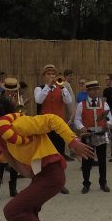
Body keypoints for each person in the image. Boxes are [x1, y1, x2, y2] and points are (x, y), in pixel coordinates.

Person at [34, 64, 74, 192]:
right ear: (44, 76)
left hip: (58, 126)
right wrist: (48, 87)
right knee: (44, 154)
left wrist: (62, 88)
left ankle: (60, 183)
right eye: (49, 74)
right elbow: (39, 100)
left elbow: (68, 101)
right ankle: (44, 181)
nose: (51, 76)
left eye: (53, 74)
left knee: (59, 153)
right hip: (44, 126)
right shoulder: (39, 88)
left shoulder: (61, 88)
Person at [71, 79, 111, 193]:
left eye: (96, 89)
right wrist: (81, 127)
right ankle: (86, 184)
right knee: (87, 160)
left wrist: (109, 124)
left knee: (102, 159)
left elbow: (109, 117)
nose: (95, 91)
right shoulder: (81, 105)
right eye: (92, 90)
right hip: (88, 134)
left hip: (101, 134)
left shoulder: (104, 103)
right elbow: (77, 119)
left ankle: (103, 183)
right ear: (87, 91)